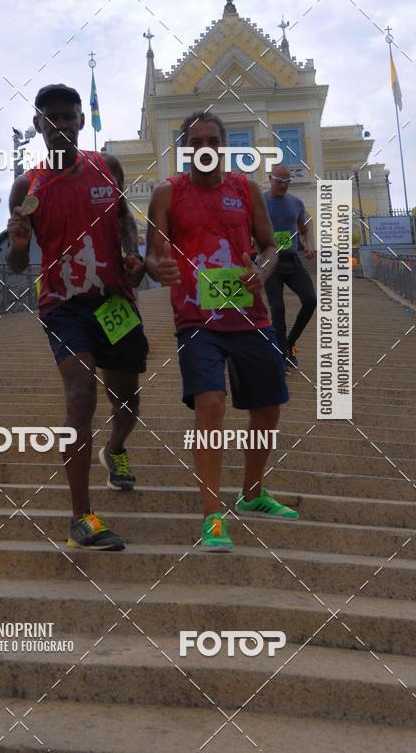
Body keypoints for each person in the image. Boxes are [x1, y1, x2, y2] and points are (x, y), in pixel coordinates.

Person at [145, 111, 297, 552]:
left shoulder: (246, 189)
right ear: (185, 149)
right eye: (196, 142)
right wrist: (162, 268)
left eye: (213, 140)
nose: (205, 148)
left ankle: (252, 494)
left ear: (224, 146)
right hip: (196, 317)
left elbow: (268, 246)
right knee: (210, 403)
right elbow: (154, 254)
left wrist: (263, 271)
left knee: (268, 408)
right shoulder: (167, 193)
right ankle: (213, 514)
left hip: (250, 314)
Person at [6, 84, 147, 551]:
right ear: (38, 126)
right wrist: (22, 246)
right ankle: (81, 516)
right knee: (80, 393)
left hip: (114, 300)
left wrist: (132, 253)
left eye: (69, 117)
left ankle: (117, 448)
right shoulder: (29, 186)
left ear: (81, 122)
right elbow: (13, 260)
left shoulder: (107, 167)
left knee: (127, 400)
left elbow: (125, 216)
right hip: (63, 305)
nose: (62, 125)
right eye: (52, 118)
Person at [263, 163, 317, 372]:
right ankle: (281, 356)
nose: (283, 186)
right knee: (277, 308)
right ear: (270, 179)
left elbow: (303, 229)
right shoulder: (260, 201)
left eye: (287, 183)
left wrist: (308, 246)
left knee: (310, 300)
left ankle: (289, 343)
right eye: (279, 182)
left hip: (291, 260)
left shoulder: (296, 203)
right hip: (270, 263)